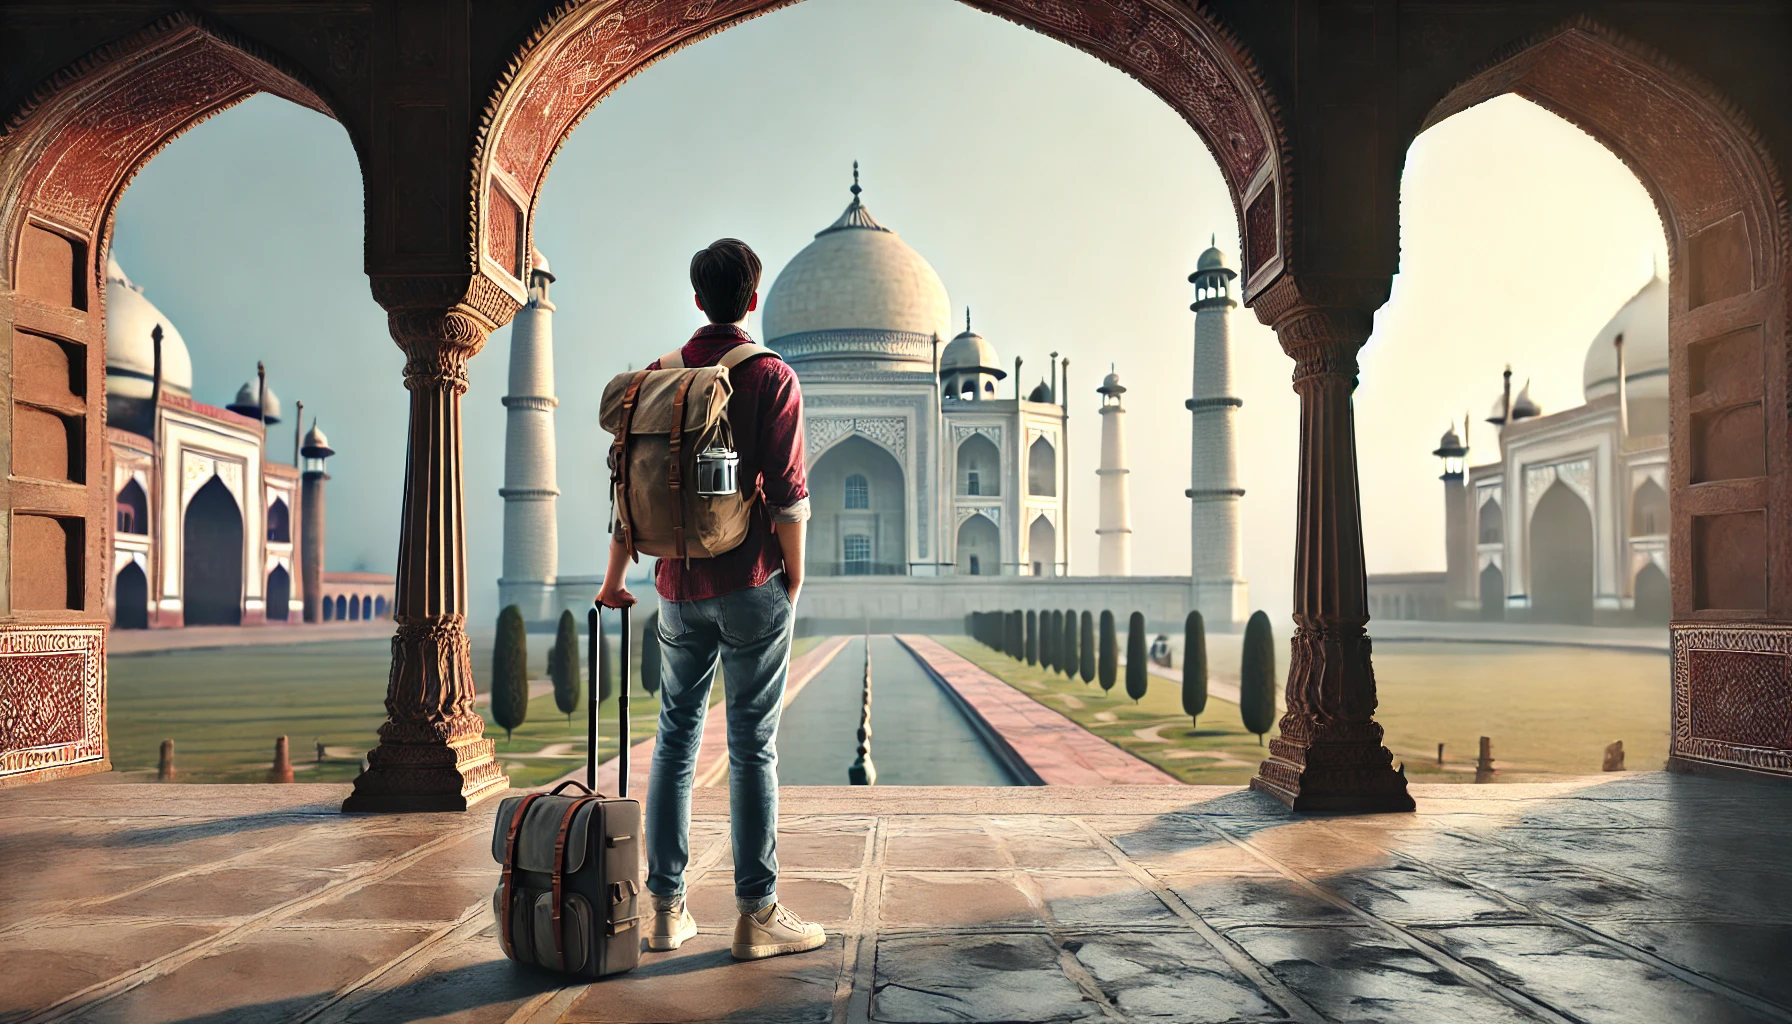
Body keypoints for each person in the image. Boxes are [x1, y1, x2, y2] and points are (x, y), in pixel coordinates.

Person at [596, 238, 823, 962]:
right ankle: (756, 914)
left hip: (674, 586)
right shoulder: (773, 377)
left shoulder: (656, 378)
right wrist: (794, 575)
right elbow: (789, 495)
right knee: (753, 746)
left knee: (675, 739)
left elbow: (625, 489)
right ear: (754, 300)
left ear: (697, 300)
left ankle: (665, 908)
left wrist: (614, 576)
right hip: (750, 579)